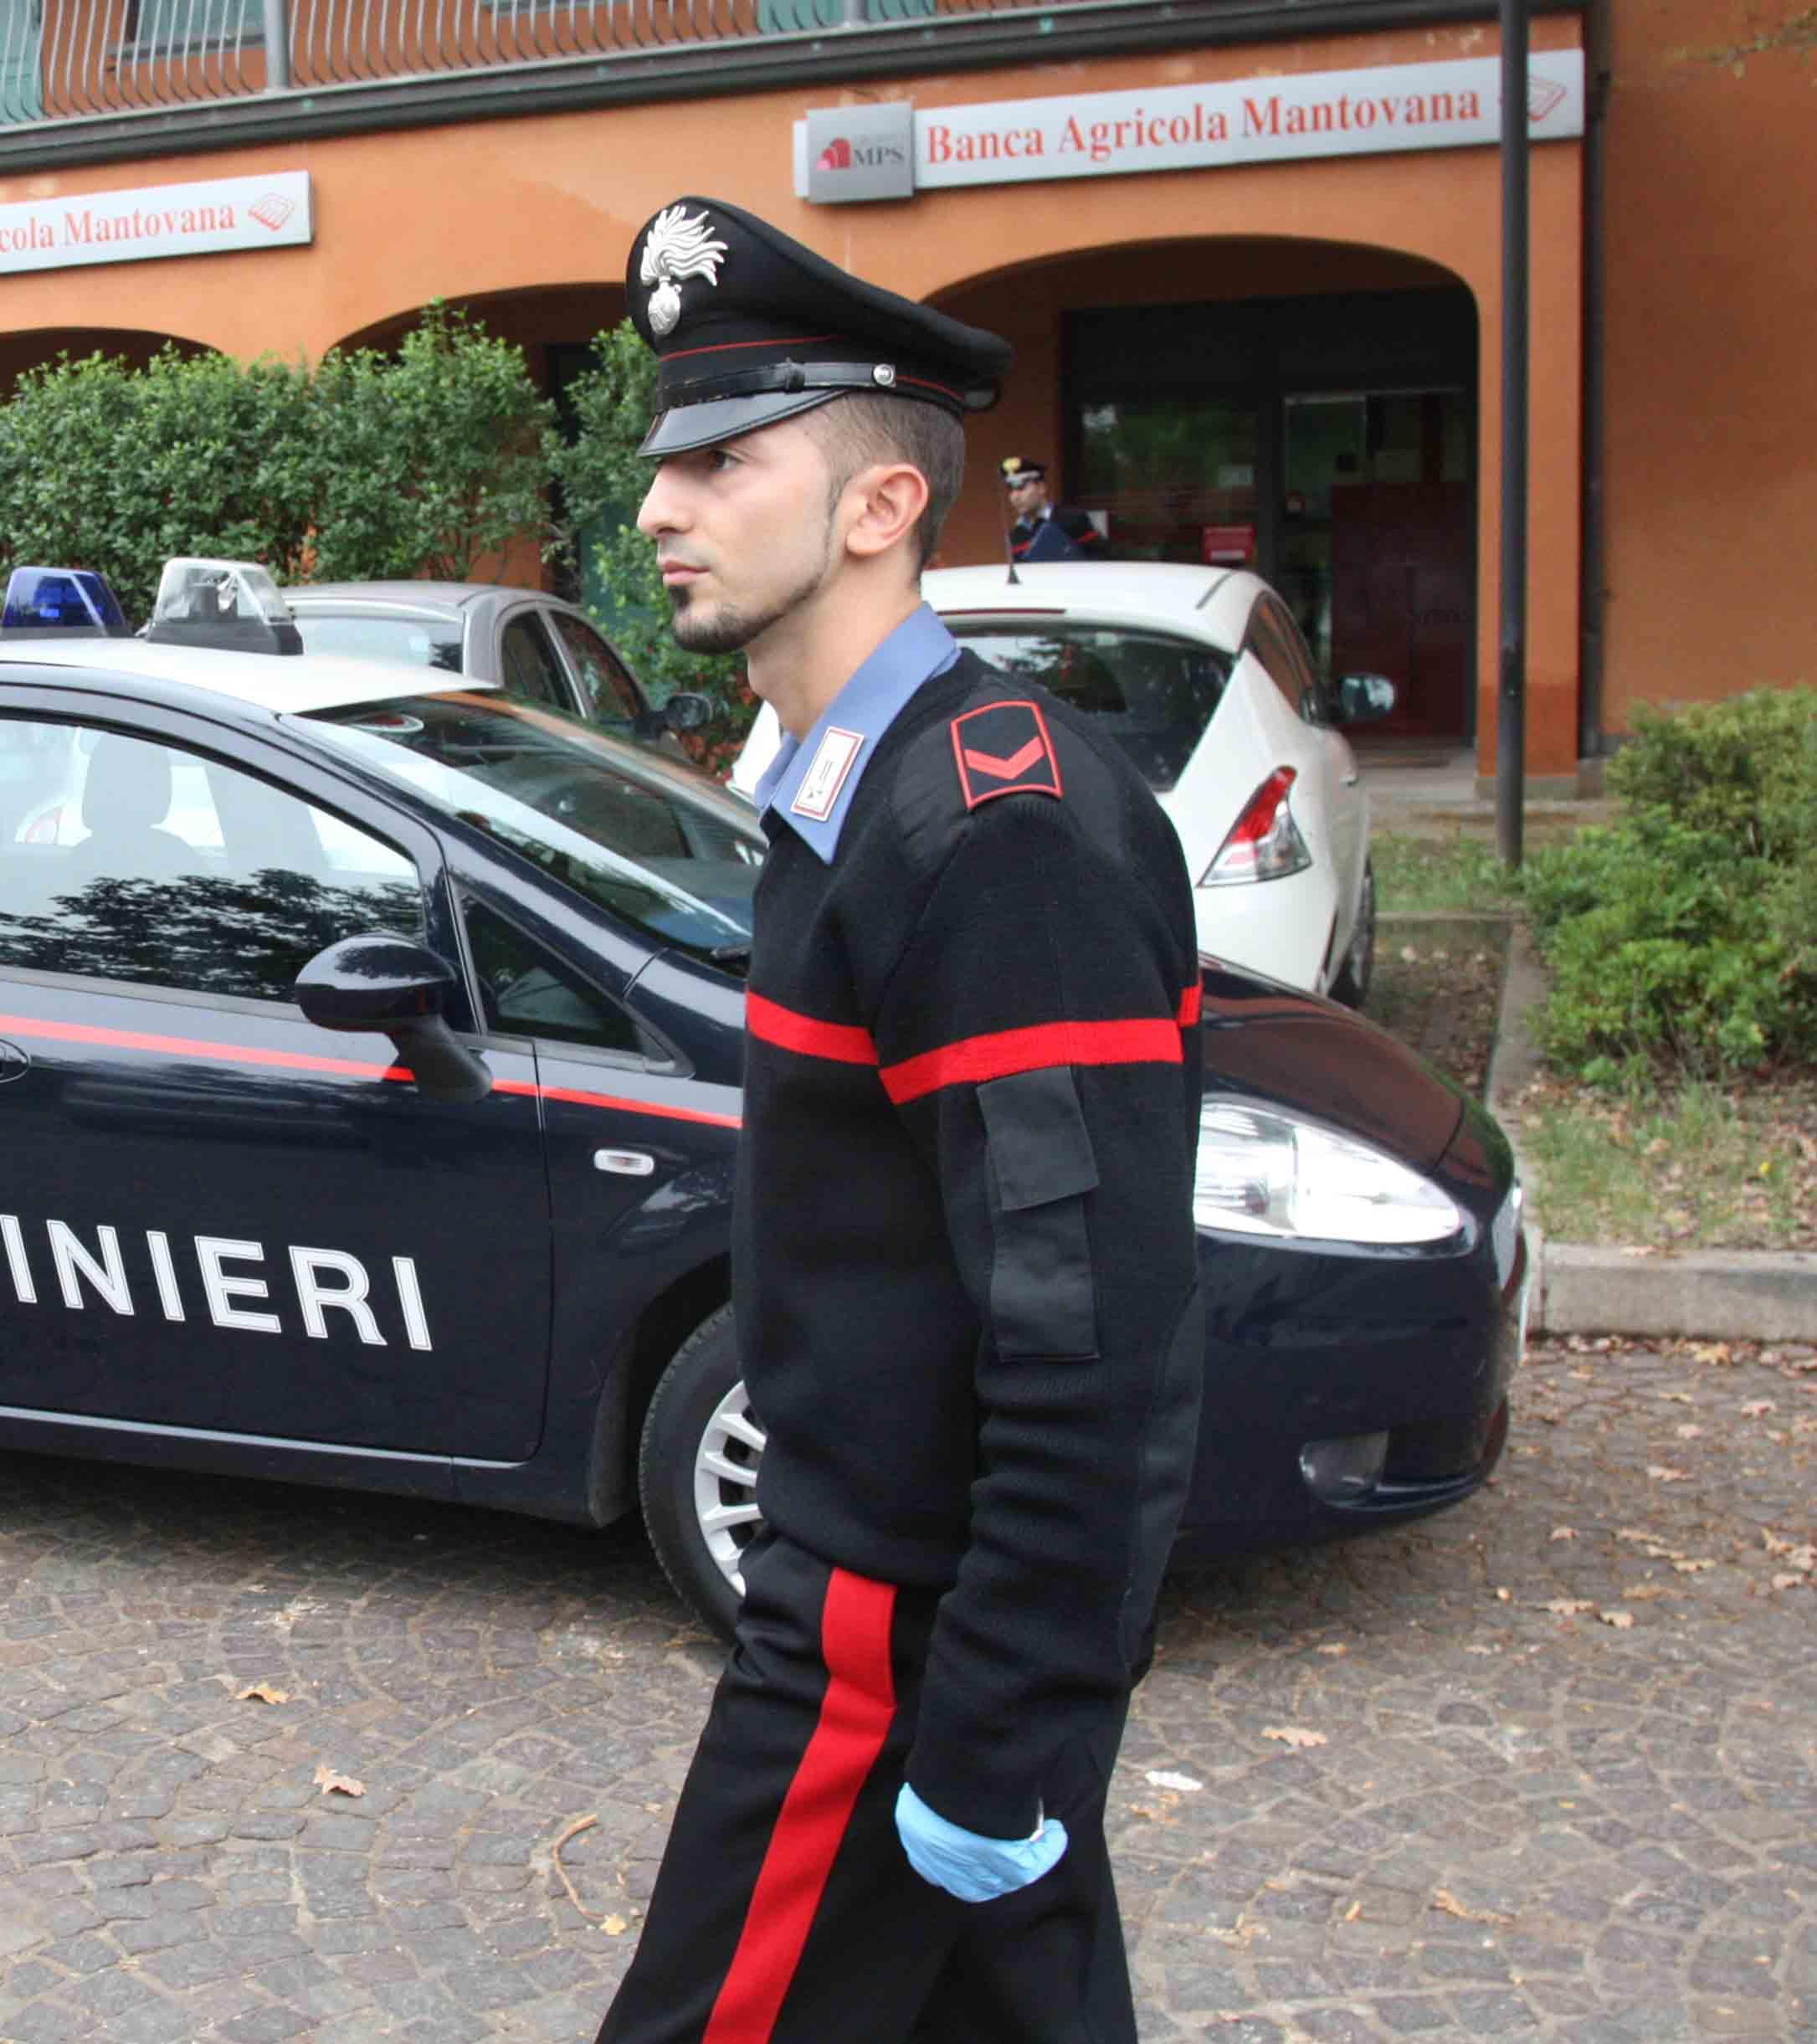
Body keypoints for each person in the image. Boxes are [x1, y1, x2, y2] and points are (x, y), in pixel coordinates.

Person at [596, 197, 1204, 2043]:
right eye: (658, 463)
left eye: (718, 461)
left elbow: (1089, 1337)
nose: (655, 509)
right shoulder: (843, 786)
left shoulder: (986, 824)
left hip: (895, 1644)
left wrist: (1001, 1737)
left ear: (875, 508)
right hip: (879, 1605)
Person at [1002, 453, 1104, 562]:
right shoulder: (1015, 536)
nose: (1015, 496)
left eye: (1021, 487)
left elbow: (1102, 561)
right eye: (1011, 490)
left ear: (1041, 488)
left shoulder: (1072, 519)